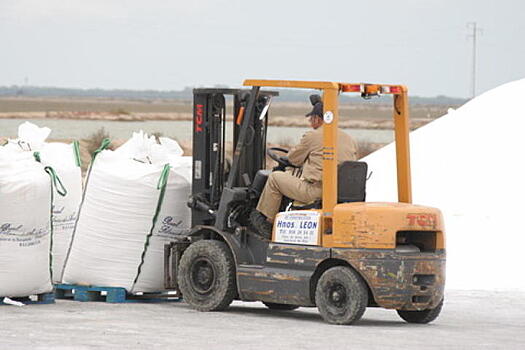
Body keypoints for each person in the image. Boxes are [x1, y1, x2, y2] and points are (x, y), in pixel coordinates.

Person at [250, 99, 359, 238]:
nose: (310, 122)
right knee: (291, 176)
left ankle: (266, 223)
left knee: (275, 178)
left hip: (316, 191)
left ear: (317, 118)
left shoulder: (313, 135)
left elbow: (293, 159)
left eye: (311, 118)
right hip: (339, 191)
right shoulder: (349, 138)